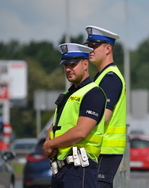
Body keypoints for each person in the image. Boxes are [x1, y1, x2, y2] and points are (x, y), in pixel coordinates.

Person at [42, 43, 106, 188]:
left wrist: (50, 144)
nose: (68, 69)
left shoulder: (93, 93)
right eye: (66, 65)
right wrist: (48, 138)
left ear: (85, 64)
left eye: (73, 64)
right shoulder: (67, 95)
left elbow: (80, 132)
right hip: (60, 168)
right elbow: (57, 125)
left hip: (80, 169)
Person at [84, 25, 127, 188]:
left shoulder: (110, 78)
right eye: (88, 46)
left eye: (94, 46)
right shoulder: (101, 77)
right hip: (102, 149)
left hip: (106, 150)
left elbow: (103, 116)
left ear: (108, 48)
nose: (90, 50)